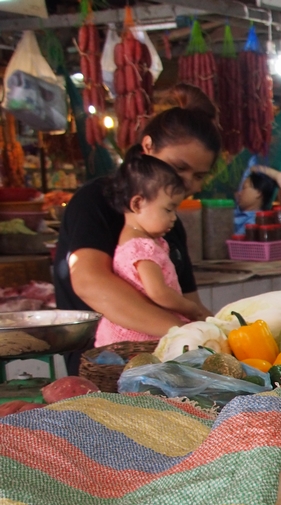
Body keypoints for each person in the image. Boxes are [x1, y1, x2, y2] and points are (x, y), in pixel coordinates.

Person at [54, 84, 220, 356]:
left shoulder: (170, 223)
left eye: (199, 176)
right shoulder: (96, 199)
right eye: (179, 168)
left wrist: (212, 332)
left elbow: (186, 300)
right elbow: (89, 282)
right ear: (147, 146)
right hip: (102, 366)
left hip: (158, 364)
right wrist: (183, 332)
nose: (187, 182)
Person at [94, 148, 212, 347]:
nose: (174, 218)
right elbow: (158, 292)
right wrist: (191, 309)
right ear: (138, 204)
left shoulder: (139, 240)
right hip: (138, 339)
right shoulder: (141, 248)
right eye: (168, 209)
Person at [234, 169, 279, 236]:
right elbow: (251, 169)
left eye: (244, 188)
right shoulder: (235, 211)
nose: (239, 193)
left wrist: (277, 175)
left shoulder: (254, 224)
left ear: (258, 192)